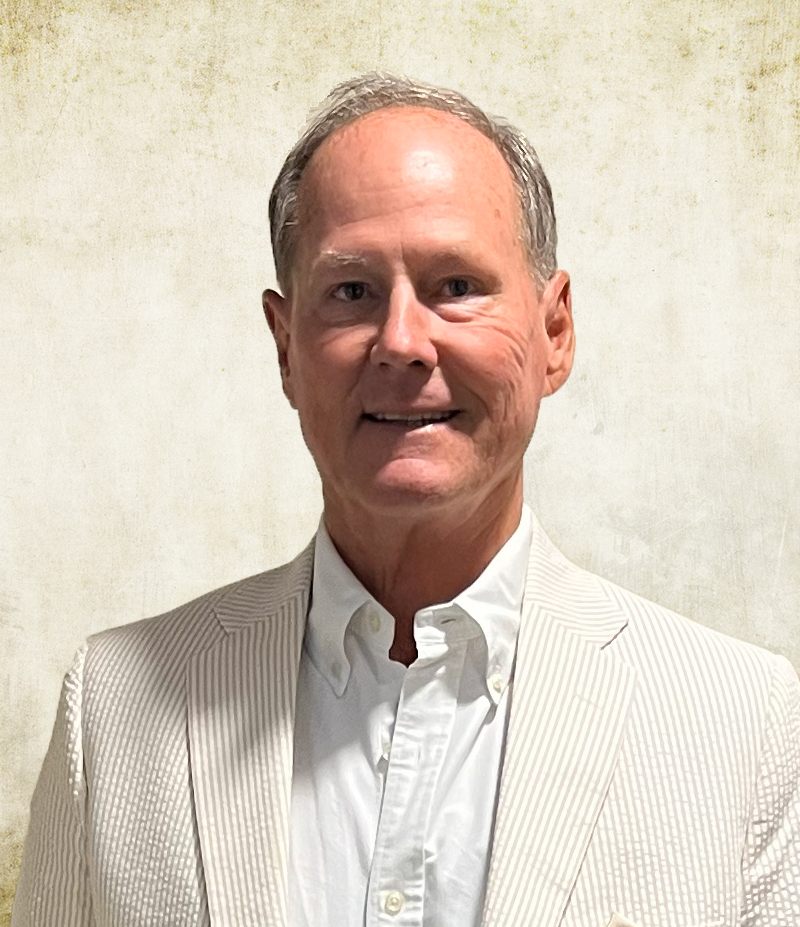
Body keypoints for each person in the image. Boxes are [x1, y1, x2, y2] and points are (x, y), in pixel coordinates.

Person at [12, 73, 800, 927]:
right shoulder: (113, 707)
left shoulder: (741, 721)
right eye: (351, 290)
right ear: (285, 346)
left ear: (555, 333)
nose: (401, 341)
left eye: (456, 286)